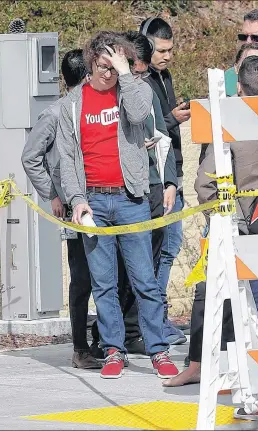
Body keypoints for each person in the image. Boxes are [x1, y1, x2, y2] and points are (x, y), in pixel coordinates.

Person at [57, 31, 179, 380]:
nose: (107, 74)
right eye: (102, 66)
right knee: (104, 282)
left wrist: (126, 73)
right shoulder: (72, 105)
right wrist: (77, 200)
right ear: (90, 64)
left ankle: (158, 350)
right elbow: (67, 160)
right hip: (94, 200)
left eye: (114, 66)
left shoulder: (130, 91)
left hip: (131, 198)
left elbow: (142, 116)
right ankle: (113, 350)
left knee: (144, 279)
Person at [170, 56, 258, 421]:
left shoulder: (228, 122)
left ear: (238, 87)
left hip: (253, 230)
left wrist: (221, 224)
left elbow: (206, 185)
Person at [89, 31, 178, 357]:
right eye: (131, 70)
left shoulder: (145, 89)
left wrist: (169, 182)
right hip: (114, 194)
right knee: (112, 276)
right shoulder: (96, 96)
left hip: (149, 190)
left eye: (138, 71)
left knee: (146, 270)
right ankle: (116, 337)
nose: (134, 76)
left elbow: (163, 137)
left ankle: (147, 337)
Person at [22, 50, 100, 370]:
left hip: (106, 204)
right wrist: (52, 194)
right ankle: (80, 349)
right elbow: (31, 157)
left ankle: (104, 340)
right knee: (82, 280)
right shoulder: (55, 114)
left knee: (110, 277)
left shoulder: (98, 110)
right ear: (85, 77)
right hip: (75, 210)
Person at [140, 17, 189, 345]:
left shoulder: (165, 77)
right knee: (163, 249)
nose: (166, 56)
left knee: (169, 248)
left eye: (170, 50)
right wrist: (174, 118)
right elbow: (152, 129)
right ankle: (152, 320)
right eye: (161, 50)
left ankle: (156, 317)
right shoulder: (141, 83)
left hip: (174, 174)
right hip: (156, 181)